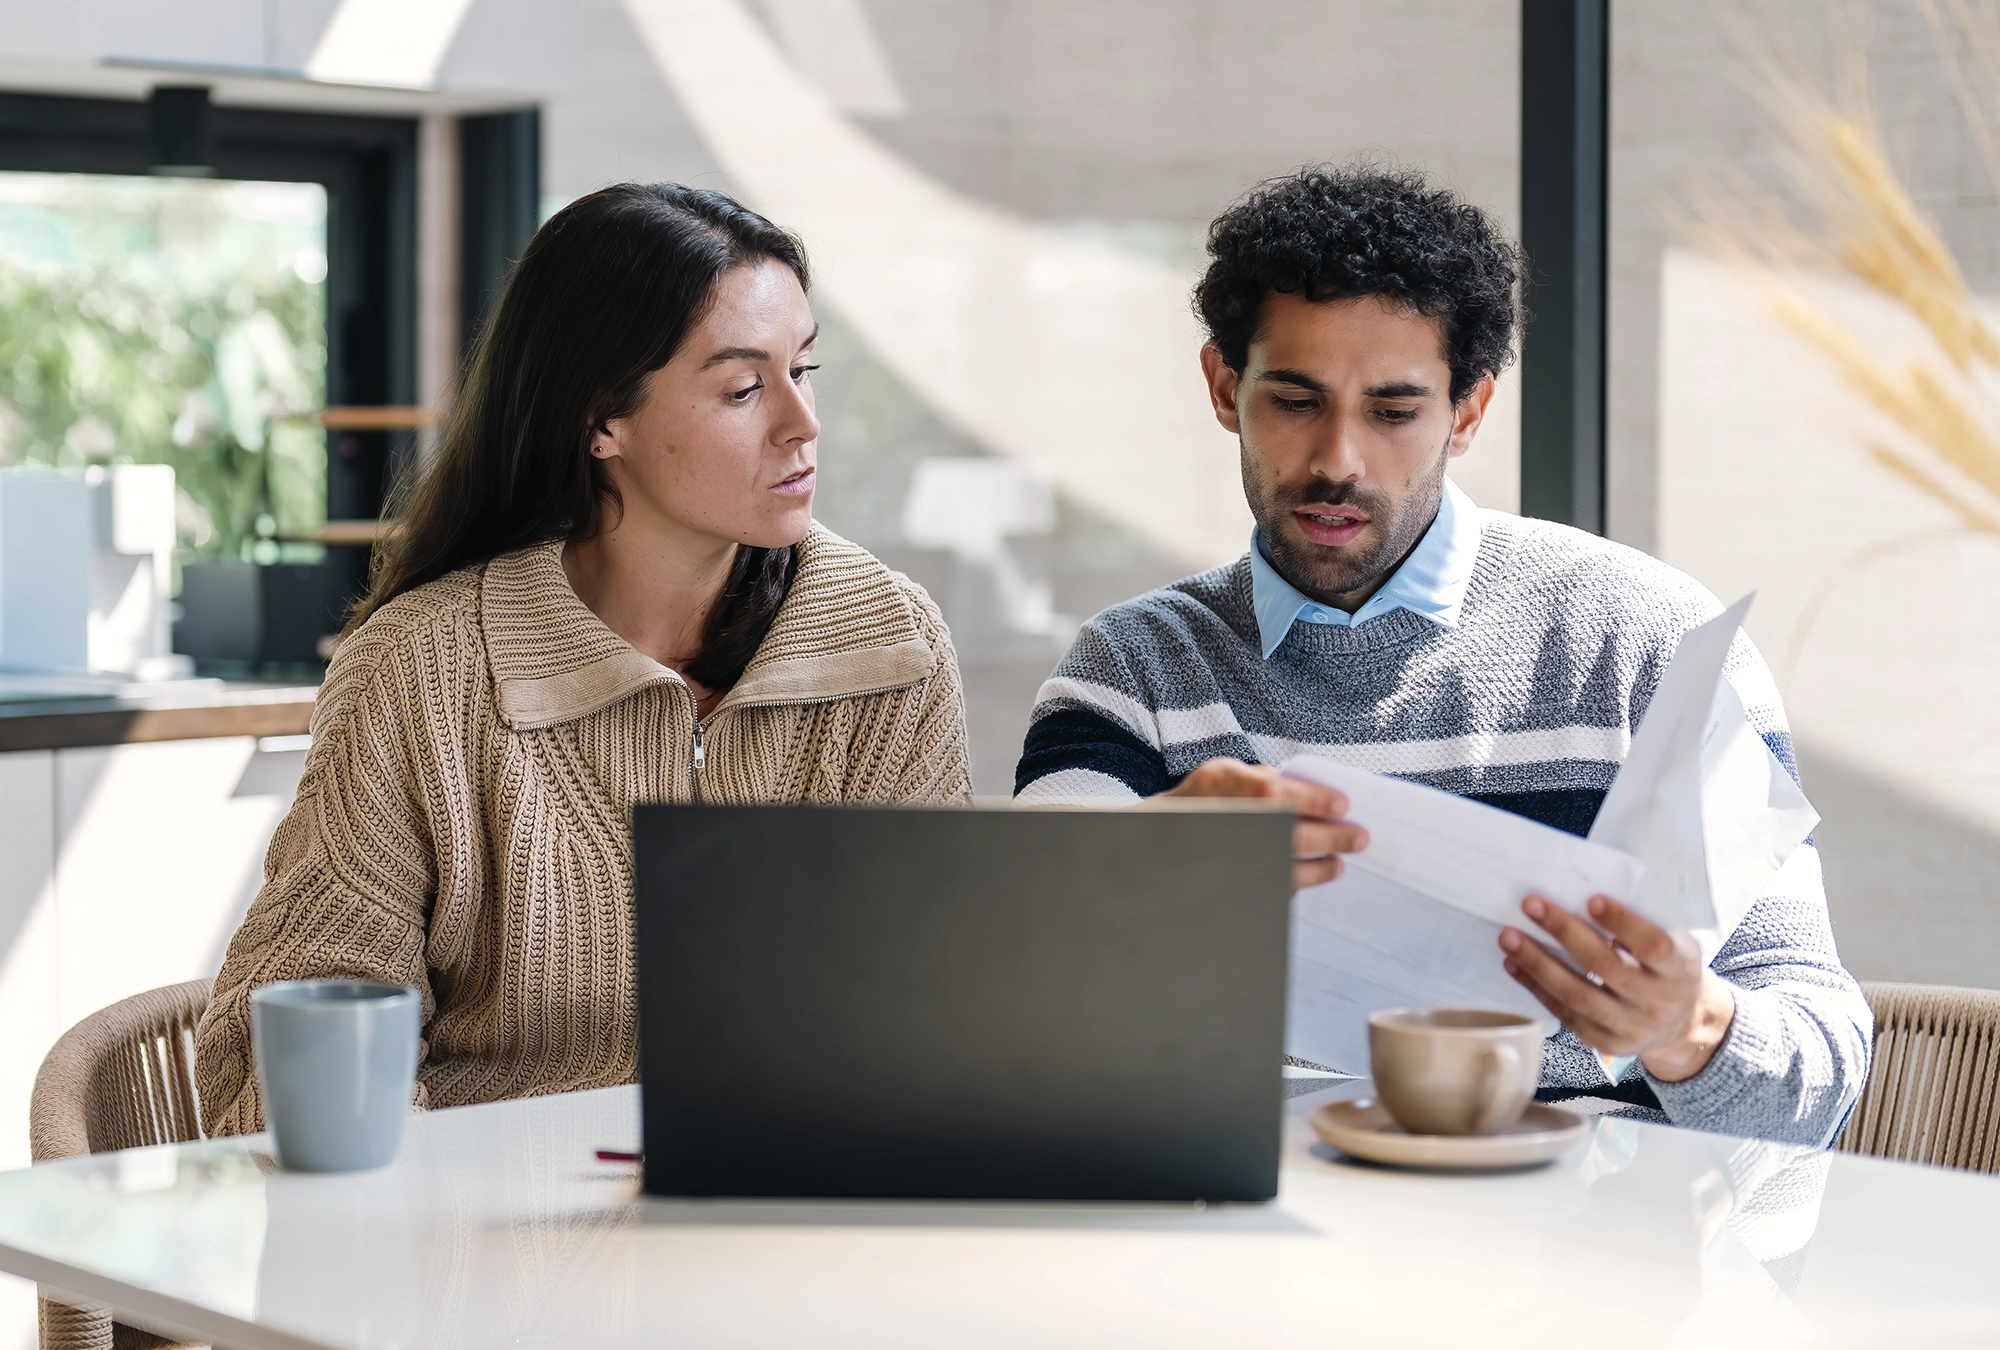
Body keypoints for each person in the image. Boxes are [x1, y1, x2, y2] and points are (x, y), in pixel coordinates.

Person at [1014, 165, 1869, 1145]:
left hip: (1591, 1250)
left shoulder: (1651, 645)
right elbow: (1015, 976)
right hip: (1238, 1230)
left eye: (1392, 411)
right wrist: (1140, 861)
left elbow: (1820, 1076)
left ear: (1466, 412)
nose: (1338, 459)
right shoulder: (1135, 668)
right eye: (1293, 401)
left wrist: (1687, 1027)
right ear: (1223, 387)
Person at [195, 184, 971, 1135]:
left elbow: (932, 1011)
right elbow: (290, 1053)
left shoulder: (889, 645)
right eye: (743, 388)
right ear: (603, 420)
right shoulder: (419, 672)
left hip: (792, 1229)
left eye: (803, 370)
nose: (802, 423)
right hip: (482, 1249)